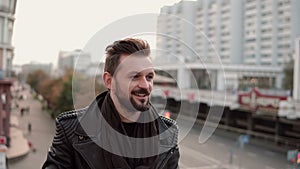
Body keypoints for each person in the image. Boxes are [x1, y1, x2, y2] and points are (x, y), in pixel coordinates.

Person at [42, 38, 180, 169]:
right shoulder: (71, 130)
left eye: (149, 77)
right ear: (109, 81)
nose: (145, 85)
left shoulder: (168, 134)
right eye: (134, 76)